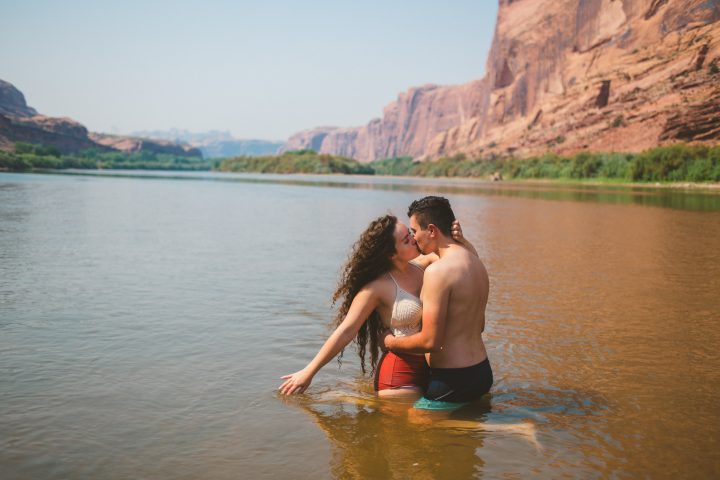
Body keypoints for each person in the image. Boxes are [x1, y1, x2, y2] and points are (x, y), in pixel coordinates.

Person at [278, 214, 472, 398]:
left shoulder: (426, 265)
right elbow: (346, 331)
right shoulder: (376, 288)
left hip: (432, 371)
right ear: (390, 254)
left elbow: (469, 263)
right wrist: (309, 371)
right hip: (399, 378)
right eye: (406, 239)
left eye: (411, 234)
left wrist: (461, 241)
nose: (414, 239)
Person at [382, 196, 492, 410]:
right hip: (481, 370)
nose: (414, 239)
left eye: (414, 232)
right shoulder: (476, 263)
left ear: (431, 230)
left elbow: (430, 341)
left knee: (416, 426)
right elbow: (480, 325)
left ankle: (511, 427)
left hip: (453, 378)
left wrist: (389, 342)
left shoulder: (438, 272)